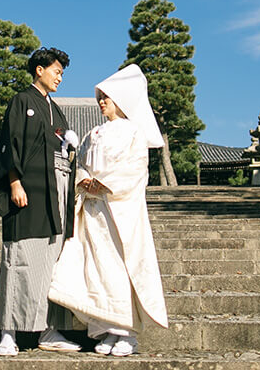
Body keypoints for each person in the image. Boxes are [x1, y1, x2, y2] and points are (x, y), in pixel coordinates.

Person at [47, 63, 169, 357]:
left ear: (122, 101)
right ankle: (105, 328)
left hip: (118, 209)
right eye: (100, 96)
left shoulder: (134, 133)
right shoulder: (94, 132)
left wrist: (102, 183)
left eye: (107, 97)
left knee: (118, 266)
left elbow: (137, 170)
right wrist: (83, 180)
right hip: (91, 208)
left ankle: (126, 332)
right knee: (95, 267)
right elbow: (81, 166)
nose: (102, 101)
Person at [0, 47, 81, 356]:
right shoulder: (21, 101)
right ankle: (8, 331)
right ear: (39, 70)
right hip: (28, 189)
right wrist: (14, 182)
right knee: (19, 258)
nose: (59, 77)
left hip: (56, 191)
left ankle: (49, 329)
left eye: (61, 73)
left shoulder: (56, 109)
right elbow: (9, 144)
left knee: (51, 262)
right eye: (56, 70)